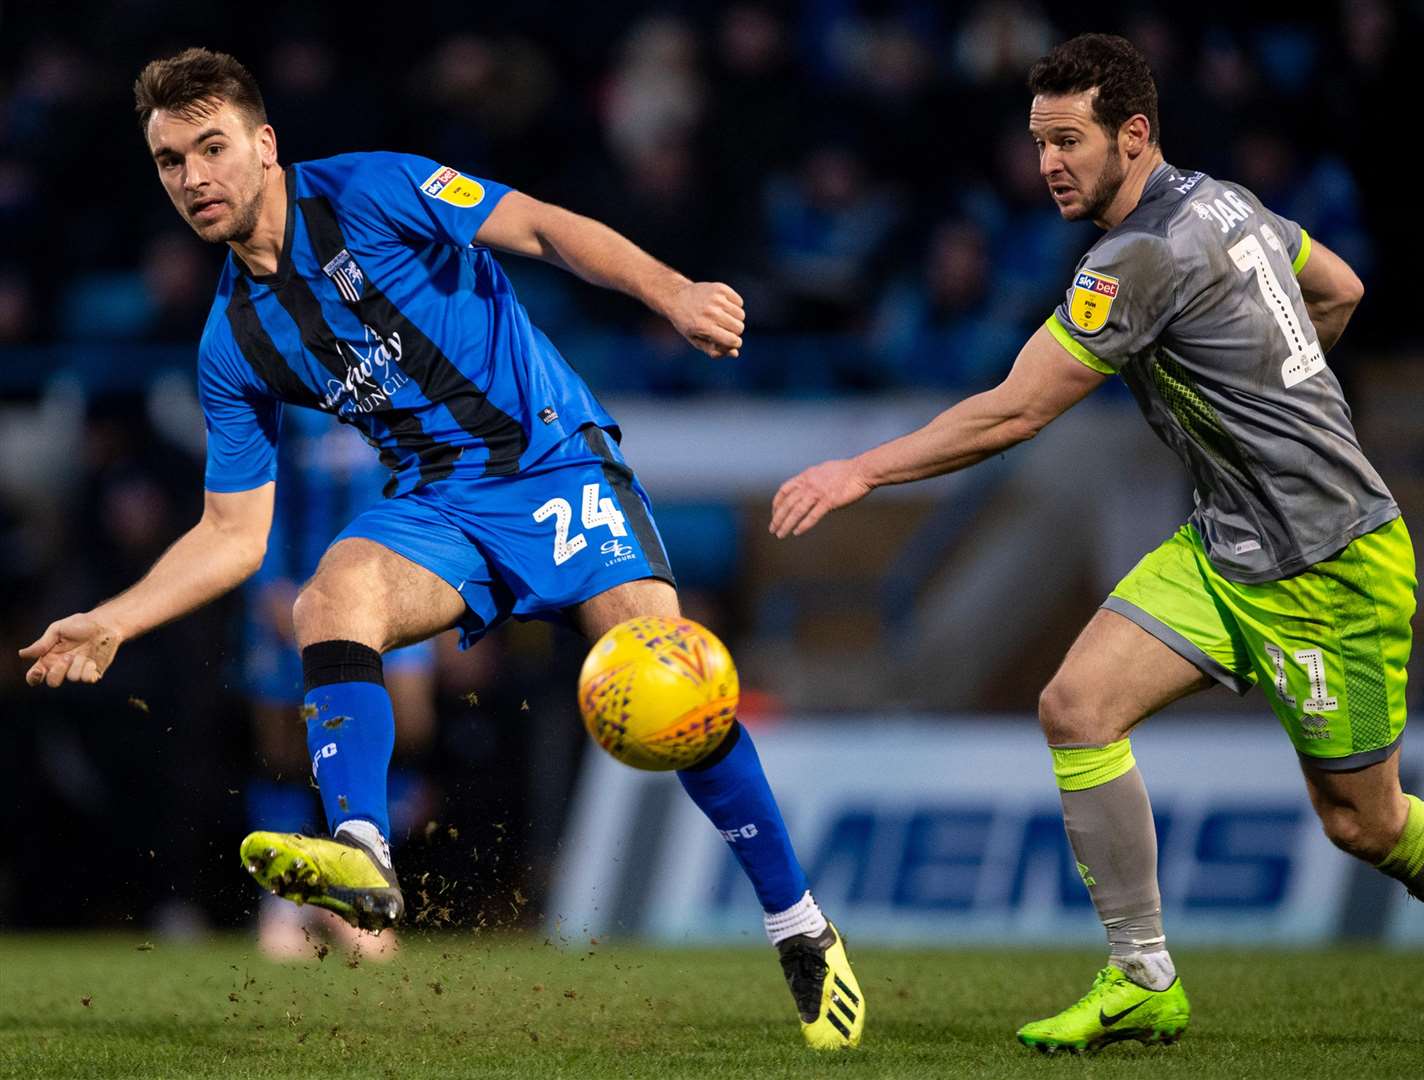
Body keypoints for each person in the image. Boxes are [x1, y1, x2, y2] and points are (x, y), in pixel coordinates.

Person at [19, 47, 864, 1050]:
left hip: (557, 468)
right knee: (330, 594)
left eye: (212, 148)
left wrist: (672, 292)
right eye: (170, 161)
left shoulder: (376, 188)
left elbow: (543, 225)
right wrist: (113, 618)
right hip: (441, 506)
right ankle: (363, 852)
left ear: (264, 145)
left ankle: (800, 928)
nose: (195, 178)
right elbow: (233, 535)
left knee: (673, 687)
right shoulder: (233, 342)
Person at [772, 32, 1424, 1053]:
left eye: (1068, 141)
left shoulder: (1137, 256)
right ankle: (1143, 977)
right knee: (1077, 707)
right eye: (1040, 141)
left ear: (1133, 135)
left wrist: (860, 471)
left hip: (1330, 568)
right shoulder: (1228, 202)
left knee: (1365, 824)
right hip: (1225, 547)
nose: (1048, 163)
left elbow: (1012, 414)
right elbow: (1342, 290)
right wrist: (1280, 385)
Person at [243, 407, 437, 960]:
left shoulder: (399, 388)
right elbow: (254, 492)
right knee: (284, 742)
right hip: (295, 588)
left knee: (408, 723)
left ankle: (357, 889)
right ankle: (285, 902)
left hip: (391, 584)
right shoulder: (285, 396)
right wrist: (269, 579)